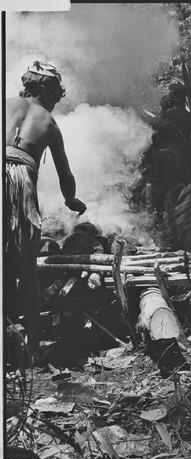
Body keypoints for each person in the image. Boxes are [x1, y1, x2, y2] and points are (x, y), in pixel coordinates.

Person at [5, 61, 87, 364]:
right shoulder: (49, 123)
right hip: (20, 184)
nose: (56, 100)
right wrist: (72, 200)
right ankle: (34, 349)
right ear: (46, 91)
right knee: (26, 271)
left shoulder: (5, 103)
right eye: (56, 93)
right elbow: (65, 174)